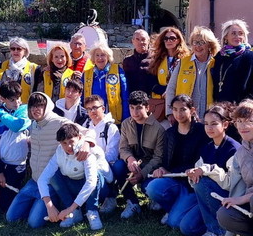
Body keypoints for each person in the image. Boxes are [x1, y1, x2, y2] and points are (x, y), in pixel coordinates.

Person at [6, 92, 95, 228]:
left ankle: (58, 205)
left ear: (47, 106)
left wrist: (86, 143)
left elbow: (89, 132)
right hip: (34, 181)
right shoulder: (34, 124)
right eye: (32, 106)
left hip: (50, 183)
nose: (35, 110)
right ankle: (39, 206)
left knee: (34, 223)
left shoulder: (59, 122)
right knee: (11, 218)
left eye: (39, 106)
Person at [146, 95, 210, 236]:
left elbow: (200, 161)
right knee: (152, 187)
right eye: (175, 110)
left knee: (174, 223)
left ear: (192, 110)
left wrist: (171, 170)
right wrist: (161, 168)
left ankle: (191, 210)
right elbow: (166, 159)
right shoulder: (170, 133)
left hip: (193, 184)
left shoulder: (201, 131)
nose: (178, 114)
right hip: (175, 179)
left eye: (182, 109)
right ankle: (174, 208)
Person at [38, 123, 112, 231]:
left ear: (80, 137)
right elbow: (42, 179)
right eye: (64, 143)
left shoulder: (87, 151)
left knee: (94, 176)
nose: (68, 147)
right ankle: (75, 212)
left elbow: (91, 183)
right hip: (76, 185)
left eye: (71, 141)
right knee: (54, 175)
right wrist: (49, 206)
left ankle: (92, 211)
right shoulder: (59, 151)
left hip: (102, 188)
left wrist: (68, 210)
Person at [186, 104, 241, 236]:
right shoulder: (207, 148)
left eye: (214, 123)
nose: (209, 128)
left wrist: (207, 170)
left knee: (201, 183)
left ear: (225, 125)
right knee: (187, 228)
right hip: (209, 197)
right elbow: (198, 172)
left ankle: (217, 230)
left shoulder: (234, 149)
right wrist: (192, 173)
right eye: (206, 124)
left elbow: (230, 184)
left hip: (230, 198)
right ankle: (210, 225)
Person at [112, 90, 165, 218]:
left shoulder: (159, 129)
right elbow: (123, 148)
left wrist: (142, 174)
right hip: (131, 165)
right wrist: (129, 159)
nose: (135, 112)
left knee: (150, 190)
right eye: (132, 108)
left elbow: (158, 158)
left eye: (139, 108)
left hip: (150, 168)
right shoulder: (125, 124)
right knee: (118, 166)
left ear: (147, 107)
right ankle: (132, 202)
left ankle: (152, 196)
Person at [209, 99, 253, 236]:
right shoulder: (240, 153)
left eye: (249, 121)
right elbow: (238, 188)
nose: (243, 126)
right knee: (225, 214)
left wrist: (243, 199)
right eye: (239, 121)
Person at [0, 81, 31, 212]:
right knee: (5, 202)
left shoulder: (25, 110)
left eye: (18, 98)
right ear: (2, 99)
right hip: (1, 162)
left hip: (18, 163)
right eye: (12, 100)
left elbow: (17, 126)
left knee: (13, 200)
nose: (17, 102)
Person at [166, 26, 220, 121]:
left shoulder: (216, 63)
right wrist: (170, 112)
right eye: (195, 42)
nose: (197, 46)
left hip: (209, 117)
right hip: (184, 117)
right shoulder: (183, 63)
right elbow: (171, 88)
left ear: (209, 45)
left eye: (202, 42)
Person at [84, 94, 120, 213]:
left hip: (104, 168)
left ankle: (110, 196)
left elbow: (112, 155)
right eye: (89, 109)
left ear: (103, 108)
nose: (92, 111)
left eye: (95, 107)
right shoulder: (85, 126)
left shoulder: (111, 127)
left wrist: (94, 162)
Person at [83, 41, 129, 125]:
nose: (100, 58)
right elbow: (82, 97)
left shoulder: (117, 71)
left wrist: (125, 119)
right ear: (93, 57)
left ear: (108, 57)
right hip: (92, 119)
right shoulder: (86, 74)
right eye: (97, 55)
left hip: (114, 118)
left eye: (103, 55)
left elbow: (125, 96)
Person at [212, 19, 253, 104]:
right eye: (233, 33)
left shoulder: (249, 56)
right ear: (226, 36)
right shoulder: (219, 56)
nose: (237, 36)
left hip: (240, 107)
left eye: (240, 33)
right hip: (220, 106)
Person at [0, 37, 37, 104]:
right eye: (13, 49)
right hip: (6, 107)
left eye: (19, 49)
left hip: (25, 107)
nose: (15, 51)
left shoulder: (33, 68)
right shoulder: (2, 65)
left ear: (25, 51)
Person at [123, 29, 154, 95]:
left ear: (148, 41)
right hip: (133, 100)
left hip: (151, 100)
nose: (141, 42)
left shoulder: (155, 60)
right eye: (137, 39)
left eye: (143, 39)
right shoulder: (127, 61)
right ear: (133, 41)